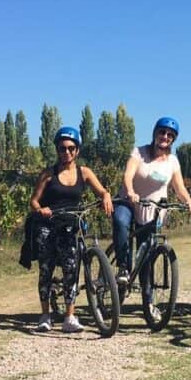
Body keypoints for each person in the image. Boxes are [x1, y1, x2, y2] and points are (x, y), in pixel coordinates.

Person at [28, 127, 113, 333]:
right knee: (46, 269)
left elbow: (101, 190)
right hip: (48, 225)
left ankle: (69, 317)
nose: (66, 152)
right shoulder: (49, 174)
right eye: (62, 148)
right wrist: (42, 209)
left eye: (70, 148)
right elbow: (34, 201)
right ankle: (45, 315)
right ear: (57, 150)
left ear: (77, 151)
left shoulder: (84, 173)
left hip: (70, 225)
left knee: (71, 270)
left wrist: (105, 196)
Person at [112, 117, 191, 286]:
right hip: (129, 201)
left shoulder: (172, 161)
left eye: (170, 135)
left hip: (151, 209)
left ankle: (148, 300)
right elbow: (128, 175)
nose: (165, 136)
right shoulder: (139, 153)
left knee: (146, 255)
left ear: (173, 139)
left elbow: (179, 188)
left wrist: (189, 201)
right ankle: (123, 267)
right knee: (121, 222)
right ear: (155, 133)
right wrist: (130, 191)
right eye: (162, 132)